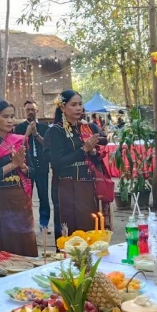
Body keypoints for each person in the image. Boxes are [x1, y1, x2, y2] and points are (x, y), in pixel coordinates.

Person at [0, 100, 38, 257]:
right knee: (3, 241)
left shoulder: (19, 140)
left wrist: (23, 167)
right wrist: (13, 165)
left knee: (23, 238)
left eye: (12, 116)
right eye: (5, 117)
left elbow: (33, 172)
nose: (10, 120)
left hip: (19, 196)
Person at [44, 89, 108, 236]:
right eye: (73, 105)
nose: (79, 108)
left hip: (86, 184)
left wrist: (92, 152)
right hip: (66, 186)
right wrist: (84, 149)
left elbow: (94, 152)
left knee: (88, 225)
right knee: (69, 228)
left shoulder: (84, 128)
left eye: (80, 104)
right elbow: (57, 162)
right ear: (62, 107)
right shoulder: (56, 131)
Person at [14, 100, 51, 233]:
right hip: (26, 167)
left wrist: (36, 134)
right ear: (25, 112)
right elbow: (18, 145)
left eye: (32, 110)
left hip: (42, 166)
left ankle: (44, 223)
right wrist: (28, 133)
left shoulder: (45, 128)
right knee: (26, 196)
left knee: (44, 196)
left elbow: (47, 145)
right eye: (28, 110)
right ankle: (26, 224)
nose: (30, 112)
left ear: (37, 111)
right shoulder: (19, 128)